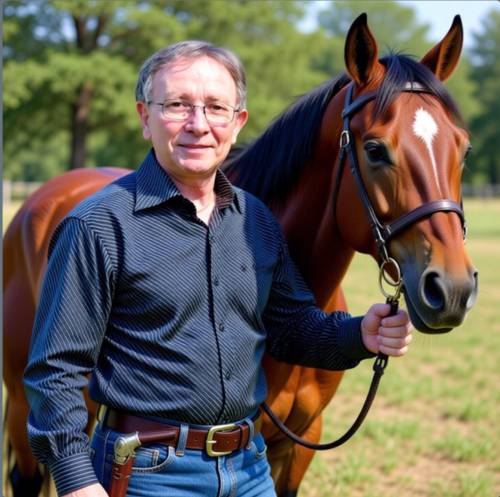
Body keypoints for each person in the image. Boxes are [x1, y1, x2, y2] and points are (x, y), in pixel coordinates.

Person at [24, 40, 413, 497]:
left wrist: (360, 334)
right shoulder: (96, 227)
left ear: (237, 121)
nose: (198, 124)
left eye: (215, 108)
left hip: (249, 469)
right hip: (147, 472)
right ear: (145, 118)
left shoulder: (256, 221)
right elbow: (55, 370)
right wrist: (76, 480)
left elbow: (289, 328)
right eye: (177, 105)